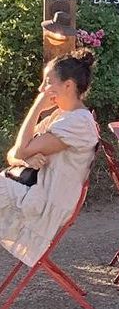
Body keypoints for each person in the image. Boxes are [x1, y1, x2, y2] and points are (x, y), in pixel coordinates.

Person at [1, 50, 99, 268]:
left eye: (47, 83)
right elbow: (13, 155)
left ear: (68, 85)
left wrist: (36, 107)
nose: (41, 90)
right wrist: (27, 159)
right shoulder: (62, 116)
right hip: (31, 191)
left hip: (46, 202)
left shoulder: (78, 123)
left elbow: (18, 152)